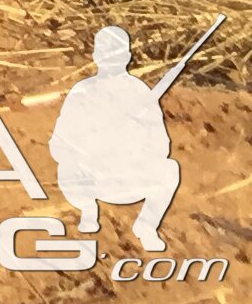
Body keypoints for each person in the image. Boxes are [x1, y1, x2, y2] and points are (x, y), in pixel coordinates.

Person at [49, 27, 183, 251]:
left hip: (128, 178)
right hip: (90, 180)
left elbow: (161, 146)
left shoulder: (140, 92)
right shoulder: (82, 92)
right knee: (66, 169)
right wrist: (84, 156)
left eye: (116, 53)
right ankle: (88, 210)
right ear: (96, 56)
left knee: (169, 169)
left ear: (127, 57)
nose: (111, 59)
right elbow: (59, 143)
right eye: (106, 52)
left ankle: (146, 225)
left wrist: (132, 149)